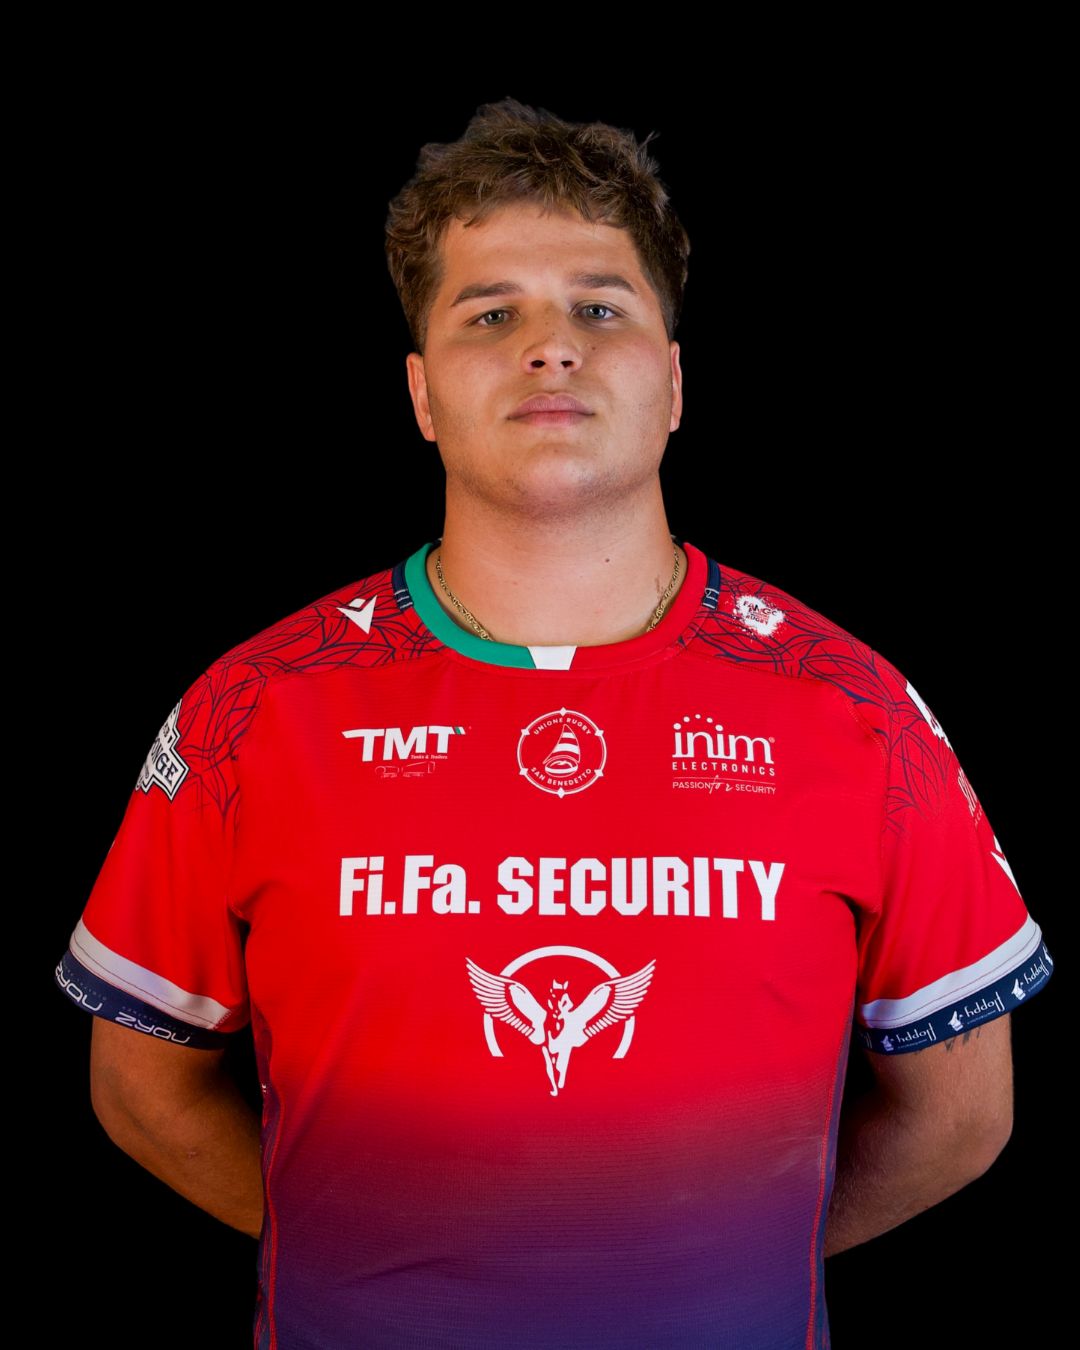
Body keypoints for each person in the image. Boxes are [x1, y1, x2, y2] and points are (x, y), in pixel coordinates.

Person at [54, 96, 1055, 1349]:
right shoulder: (252, 713)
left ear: (674, 381)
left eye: (599, 307)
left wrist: (712, 1255)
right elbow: (140, 1086)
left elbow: (961, 1117)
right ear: (421, 393)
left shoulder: (856, 709)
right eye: (491, 314)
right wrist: (367, 1253)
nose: (550, 348)